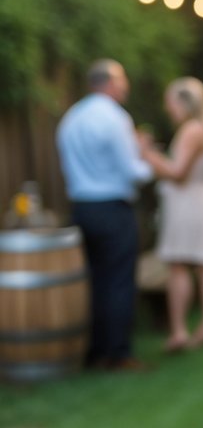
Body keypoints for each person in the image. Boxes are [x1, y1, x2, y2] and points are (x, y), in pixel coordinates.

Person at [56, 58, 153, 370]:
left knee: (96, 280)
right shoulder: (115, 118)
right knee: (119, 280)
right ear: (111, 83)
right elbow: (132, 171)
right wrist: (149, 160)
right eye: (122, 80)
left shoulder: (72, 117)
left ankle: (96, 351)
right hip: (112, 208)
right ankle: (119, 353)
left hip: (81, 208)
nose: (125, 86)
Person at [140, 78, 203, 353]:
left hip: (188, 202)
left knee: (179, 266)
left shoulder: (191, 130)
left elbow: (177, 172)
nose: (168, 108)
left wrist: (146, 153)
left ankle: (179, 331)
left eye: (170, 101)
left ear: (184, 103)